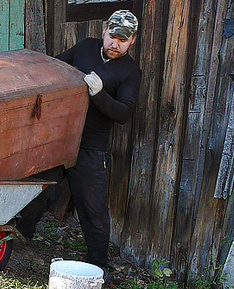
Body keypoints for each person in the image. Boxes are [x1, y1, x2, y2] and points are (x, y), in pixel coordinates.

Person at [16, 9, 141, 282]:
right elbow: (56, 67)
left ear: (131, 42)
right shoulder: (85, 48)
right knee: (37, 191)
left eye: (122, 40)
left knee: (93, 210)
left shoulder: (130, 71)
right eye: (112, 36)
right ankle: (20, 239)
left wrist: (99, 94)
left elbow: (124, 113)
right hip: (60, 138)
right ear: (104, 30)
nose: (115, 44)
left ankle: (99, 267)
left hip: (91, 148)